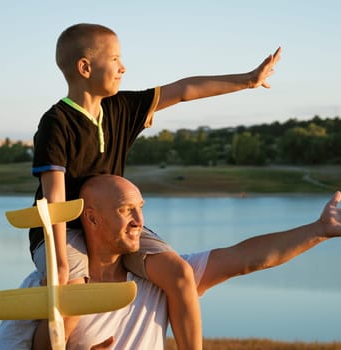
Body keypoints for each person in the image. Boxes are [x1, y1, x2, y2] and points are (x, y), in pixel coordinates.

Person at [29, 23, 282, 349]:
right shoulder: (56, 122)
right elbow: (54, 196)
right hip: (65, 230)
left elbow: (185, 89)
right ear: (85, 67)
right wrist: (60, 262)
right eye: (116, 59)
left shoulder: (121, 107)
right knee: (74, 295)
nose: (124, 67)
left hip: (115, 224)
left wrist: (247, 80)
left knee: (179, 274)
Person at [0, 174, 341, 349]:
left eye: (141, 208)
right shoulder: (46, 285)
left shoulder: (160, 279)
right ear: (91, 218)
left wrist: (318, 230)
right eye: (127, 210)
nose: (140, 221)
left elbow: (247, 258)